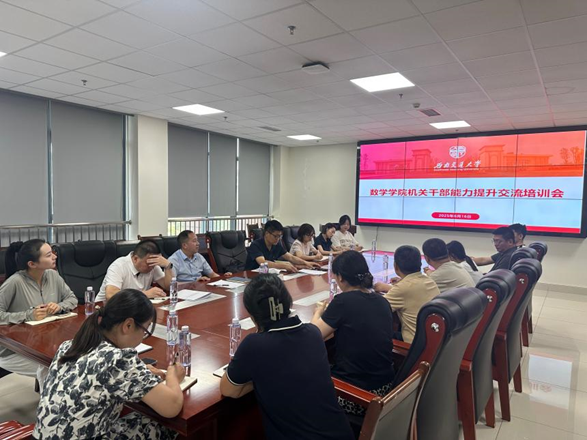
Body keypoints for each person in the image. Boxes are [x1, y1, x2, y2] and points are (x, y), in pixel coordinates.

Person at [34, 289, 183, 439]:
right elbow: (171, 406)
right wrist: (173, 376)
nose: (142, 337)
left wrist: (142, 373)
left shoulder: (68, 346)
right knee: (160, 425)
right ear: (128, 325)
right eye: (145, 330)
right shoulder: (119, 359)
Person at [220, 275, 354, 440]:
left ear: (253, 316)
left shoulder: (254, 345)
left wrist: (263, 375)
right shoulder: (313, 333)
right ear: (288, 304)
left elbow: (229, 390)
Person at [311, 251, 395, 416]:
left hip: (357, 396)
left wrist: (317, 313)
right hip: (386, 388)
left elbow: (313, 336)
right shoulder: (382, 301)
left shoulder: (343, 301)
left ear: (341, 277)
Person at [0, 239, 78, 389]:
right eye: (49, 255)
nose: (55, 256)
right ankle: (51, 403)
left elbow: (72, 299)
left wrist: (59, 306)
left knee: (74, 361)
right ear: (32, 264)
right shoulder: (15, 282)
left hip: (45, 344)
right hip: (14, 351)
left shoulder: (53, 276)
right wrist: (28, 315)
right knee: (55, 368)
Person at [374, 245, 440, 343]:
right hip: (432, 339)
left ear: (395, 266)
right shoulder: (429, 281)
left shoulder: (402, 288)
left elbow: (375, 309)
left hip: (413, 344)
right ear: (420, 263)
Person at [97, 240, 174, 302]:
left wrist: (168, 266)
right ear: (135, 259)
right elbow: (110, 295)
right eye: (148, 263)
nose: (152, 267)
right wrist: (145, 294)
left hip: (132, 307)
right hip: (103, 308)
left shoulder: (153, 266)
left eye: (154, 264)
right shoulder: (119, 266)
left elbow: (168, 287)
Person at [244, 220, 321, 271]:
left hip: (268, 275)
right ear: (267, 233)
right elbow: (263, 263)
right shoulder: (255, 245)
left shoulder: (276, 244)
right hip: (251, 276)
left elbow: (290, 257)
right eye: (276, 236)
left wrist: (305, 263)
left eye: (280, 236)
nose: (278, 239)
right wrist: (284, 265)